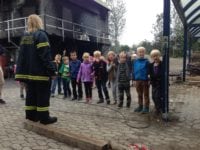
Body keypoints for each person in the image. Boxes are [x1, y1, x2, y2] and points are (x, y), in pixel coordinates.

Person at [15, 14, 57, 124]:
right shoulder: (41, 35)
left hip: (29, 74)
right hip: (40, 73)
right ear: (39, 22)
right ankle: (44, 118)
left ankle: (31, 116)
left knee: (31, 94)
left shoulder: (25, 37)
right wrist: (52, 71)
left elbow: (21, 56)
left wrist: (20, 74)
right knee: (42, 95)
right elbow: (45, 55)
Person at [133, 47, 150, 113]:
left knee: (146, 94)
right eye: (139, 52)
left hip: (145, 80)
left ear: (144, 53)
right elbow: (134, 71)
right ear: (137, 53)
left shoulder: (147, 61)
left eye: (142, 52)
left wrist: (148, 80)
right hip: (137, 80)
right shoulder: (135, 61)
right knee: (139, 94)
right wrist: (134, 79)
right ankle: (140, 106)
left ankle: (146, 107)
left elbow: (149, 72)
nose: (141, 53)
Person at [149, 49, 163, 115]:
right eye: (154, 56)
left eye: (156, 56)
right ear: (152, 57)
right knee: (153, 96)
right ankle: (157, 106)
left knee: (157, 96)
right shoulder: (151, 65)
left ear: (159, 56)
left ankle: (158, 108)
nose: (155, 57)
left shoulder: (162, 64)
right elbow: (150, 74)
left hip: (159, 83)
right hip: (153, 83)